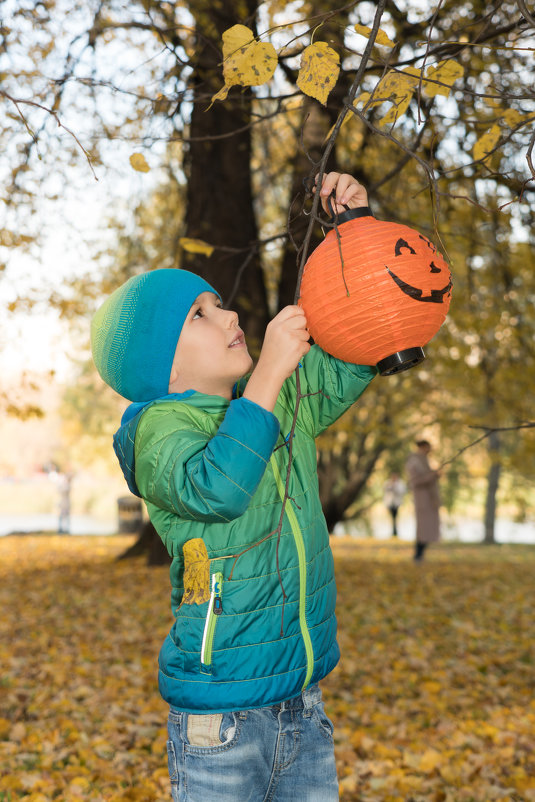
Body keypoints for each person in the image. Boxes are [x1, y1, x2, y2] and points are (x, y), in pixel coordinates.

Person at [91, 173, 376, 802]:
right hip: (220, 721)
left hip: (301, 700)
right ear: (158, 364)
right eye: (201, 314)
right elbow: (217, 488)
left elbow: (360, 348)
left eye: (219, 302)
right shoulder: (156, 431)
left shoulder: (280, 400)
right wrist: (269, 374)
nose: (229, 314)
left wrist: (354, 234)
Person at [405, 440, 441, 561]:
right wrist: (433, 476)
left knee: (428, 528)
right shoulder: (414, 462)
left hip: (429, 500)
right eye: (427, 447)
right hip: (422, 500)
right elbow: (415, 481)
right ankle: (418, 555)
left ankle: (420, 555)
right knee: (423, 529)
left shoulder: (424, 460)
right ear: (422, 447)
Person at [383, 472, 406, 537]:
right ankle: (393, 531)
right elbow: (385, 490)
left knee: (395, 517)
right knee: (392, 517)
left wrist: (394, 487)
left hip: (396, 503)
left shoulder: (400, 483)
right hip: (390, 503)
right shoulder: (387, 483)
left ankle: (395, 531)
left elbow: (402, 492)